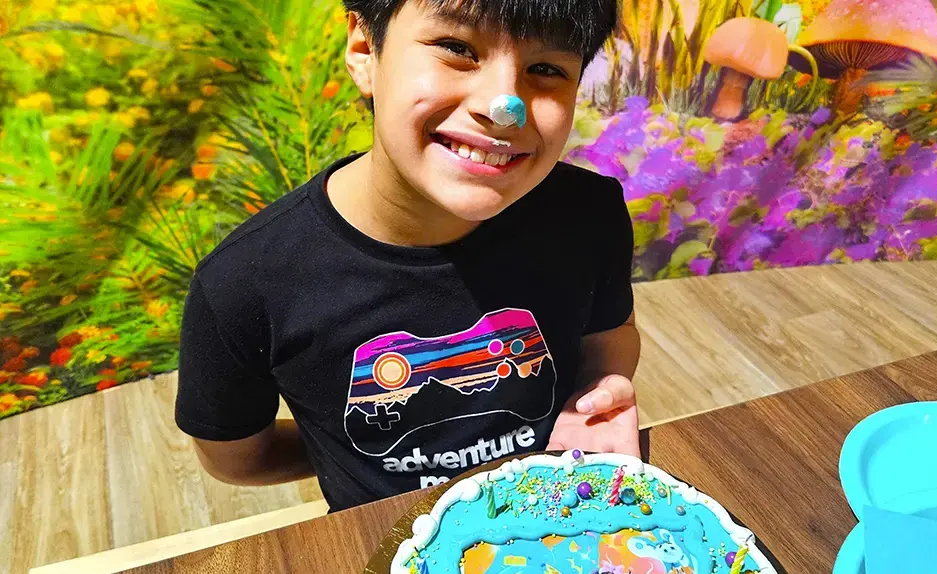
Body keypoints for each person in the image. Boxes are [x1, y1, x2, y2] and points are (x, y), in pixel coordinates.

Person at [176, 0, 640, 513]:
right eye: (456, 48)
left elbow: (612, 335)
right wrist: (349, 457)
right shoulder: (242, 284)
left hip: (560, 511)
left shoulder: (589, 213)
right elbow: (237, 459)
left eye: (547, 69)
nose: (503, 107)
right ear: (364, 49)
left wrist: (597, 395)